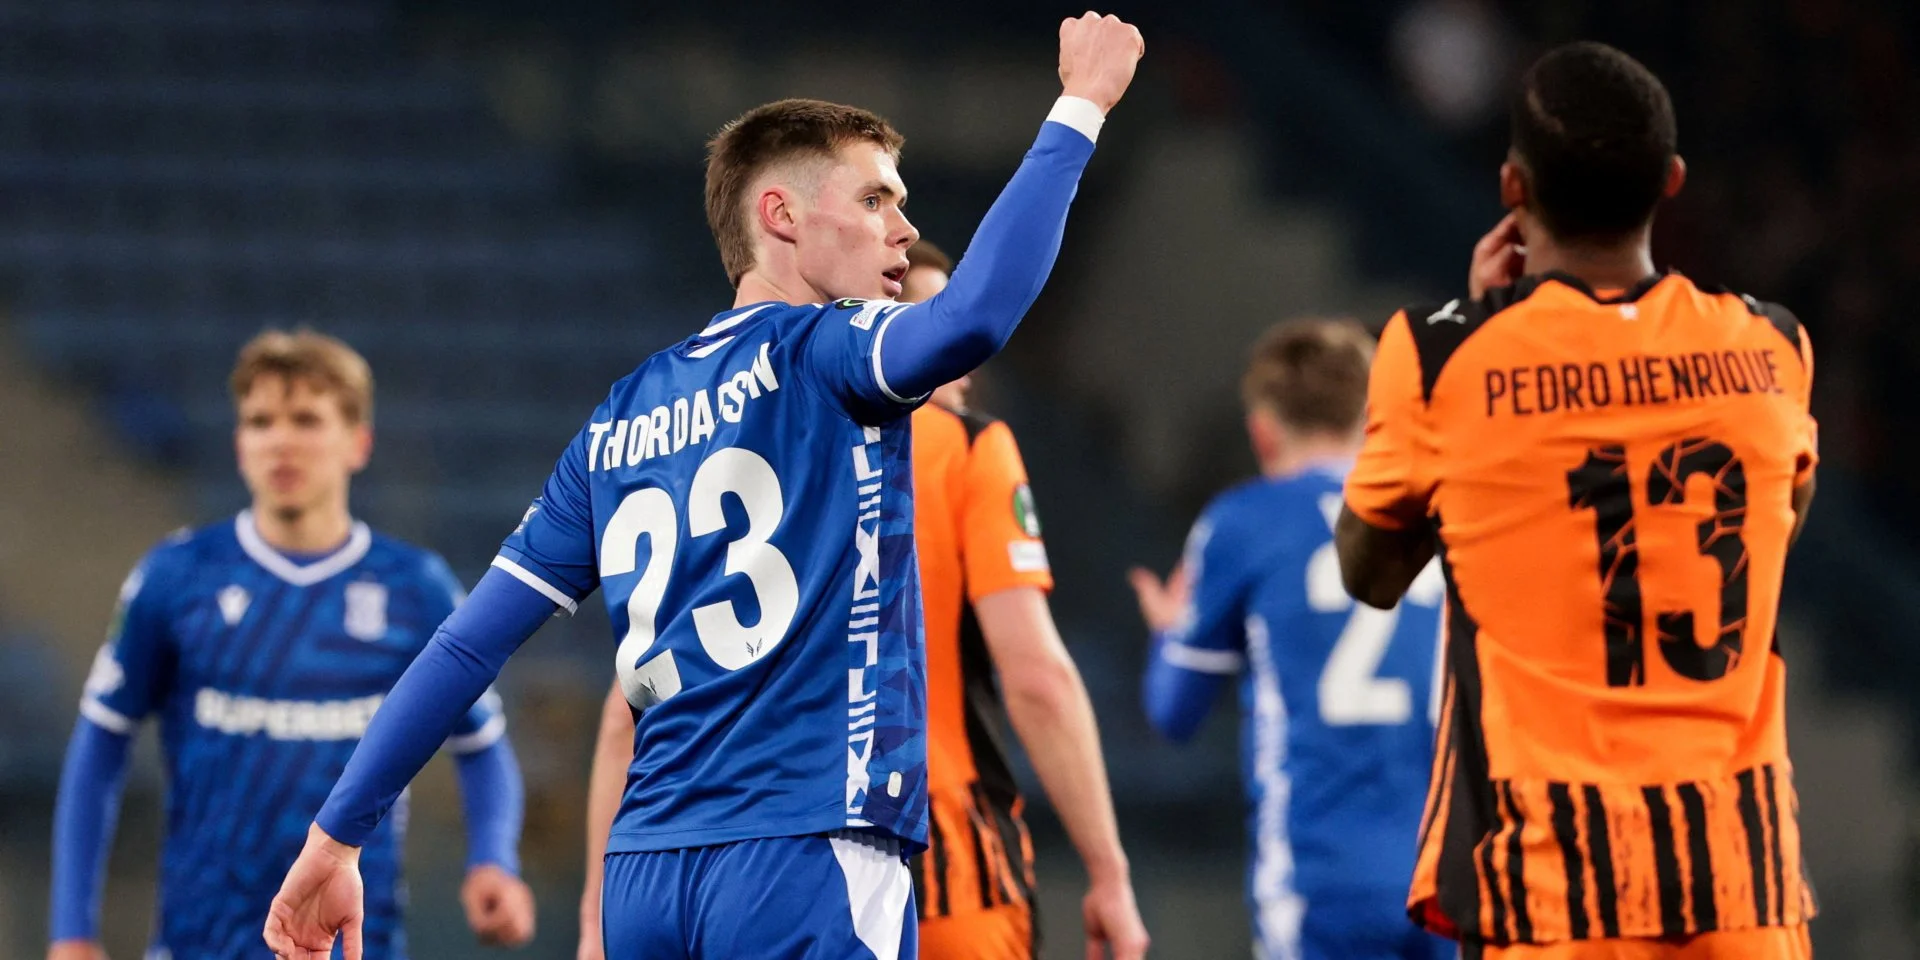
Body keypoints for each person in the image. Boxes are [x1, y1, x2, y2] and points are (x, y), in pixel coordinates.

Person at [264, 14, 1144, 960]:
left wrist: (336, 837)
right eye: (876, 199)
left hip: (646, 875)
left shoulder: (619, 419)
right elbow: (976, 315)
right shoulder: (830, 352)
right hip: (805, 853)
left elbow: (467, 644)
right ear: (781, 216)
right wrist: (1081, 105)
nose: (906, 229)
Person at [1337, 42, 1819, 960]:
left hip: (1558, 890)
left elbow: (1371, 573)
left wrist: (1483, 334)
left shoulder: (1440, 358)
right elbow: (1775, 535)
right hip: (1742, 888)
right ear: (1671, 181)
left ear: (1512, 186)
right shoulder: (1775, 347)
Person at [575, 240, 1148, 960]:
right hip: (946, 871)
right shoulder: (966, 448)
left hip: (755, 859)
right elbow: (1037, 678)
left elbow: (629, 712)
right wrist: (1108, 872)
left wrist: (596, 917)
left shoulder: (748, 451)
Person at [48, 330, 532, 960]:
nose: (280, 440)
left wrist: (493, 858)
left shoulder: (415, 587)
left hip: (355, 944)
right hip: (200, 942)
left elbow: (482, 745)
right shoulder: (176, 575)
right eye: (260, 421)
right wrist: (72, 930)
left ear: (358, 442)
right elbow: (100, 742)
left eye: (306, 419)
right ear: (239, 444)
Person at [1130, 318, 1450, 960]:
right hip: (1447, 869)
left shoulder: (1243, 522)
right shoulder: (1438, 513)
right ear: (1372, 418)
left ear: (1263, 430)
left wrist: (1169, 633)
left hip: (1318, 871)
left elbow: (1173, 712)